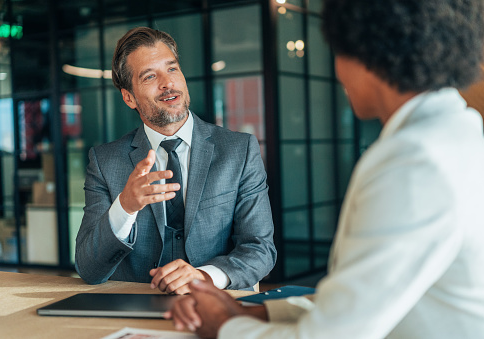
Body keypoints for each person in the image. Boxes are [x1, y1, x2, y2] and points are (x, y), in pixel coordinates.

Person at [167, 0, 484, 337]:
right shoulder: (458, 132)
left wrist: (224, 325)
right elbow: (368, 298)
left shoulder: (415, 161)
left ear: (366, 51)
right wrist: (256, 313)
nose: (337, 72)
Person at [75, 27, 276, 294]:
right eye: (150, 76)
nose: (167, 83)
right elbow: (89, 269)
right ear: (129, 97)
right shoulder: (104, 162)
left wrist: (205, 277)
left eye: (172, 69)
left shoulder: (239, 150)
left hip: (215, 307)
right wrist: (125, 206)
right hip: (137, 311)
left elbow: (260, 249)